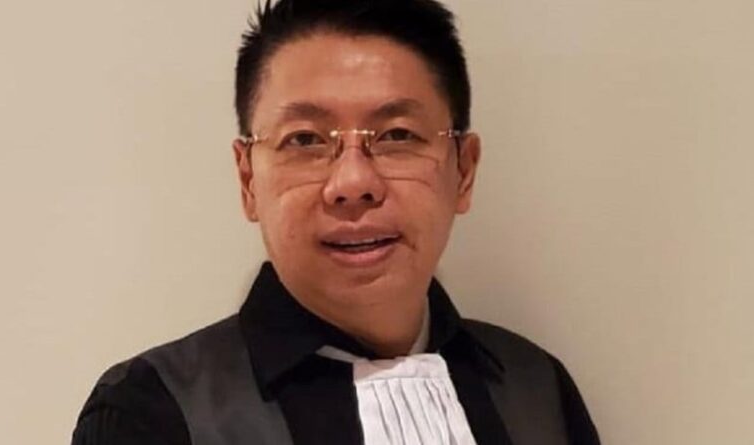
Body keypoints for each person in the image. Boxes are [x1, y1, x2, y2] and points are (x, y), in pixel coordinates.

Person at [72, 0, 600, 444]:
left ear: (464, 170)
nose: (352, 182)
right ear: (248, 179)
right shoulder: (151, 412)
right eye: (304, 140)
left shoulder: (537, 391)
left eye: (397, 135)